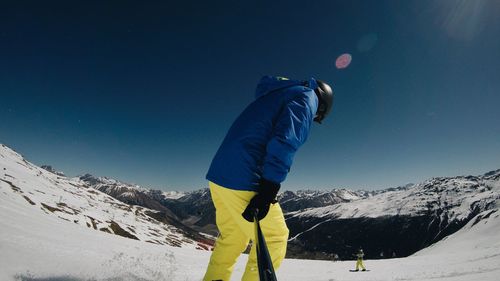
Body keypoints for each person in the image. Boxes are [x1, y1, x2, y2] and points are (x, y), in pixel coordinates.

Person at [203, 75, 334, 281]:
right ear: (323, 103)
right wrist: (269, 186)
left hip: (219, 175)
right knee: (274, 237)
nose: (314, 117)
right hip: (244, 177)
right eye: (317, 116)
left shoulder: (276, 94)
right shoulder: (308, 96)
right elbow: (286, 139)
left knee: (233, 237)